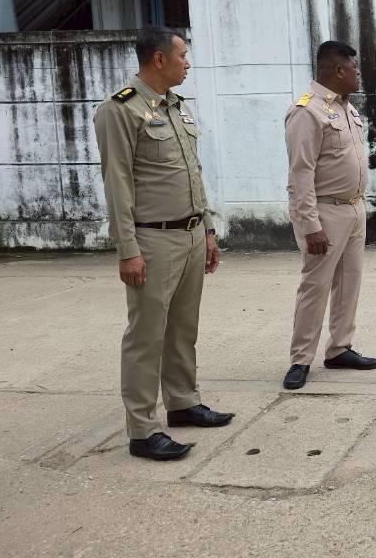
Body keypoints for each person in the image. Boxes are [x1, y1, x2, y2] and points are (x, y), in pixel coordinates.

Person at [93, 26, 234, 461]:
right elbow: (117, 184)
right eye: (182, 55)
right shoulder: (119, 110)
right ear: (159, 59)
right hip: (152, 240)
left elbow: (194, 173)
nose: (187, 63)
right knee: (146, 336)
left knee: (182, 329)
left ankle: (183, 403)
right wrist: (128, 251)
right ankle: (142, 429)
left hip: (190, 235)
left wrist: (206, 230)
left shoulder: (176, 106)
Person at [282, 40, 376, 391]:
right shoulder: (307, 111)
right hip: (324, 212)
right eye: (354, 68)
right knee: (316, 286)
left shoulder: (345, 108)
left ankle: (340, 348)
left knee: (349, 282)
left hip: (353, 208)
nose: (359, 73)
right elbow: (301, 173)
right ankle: (300, 359)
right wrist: (311, 226)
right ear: (338, 71)